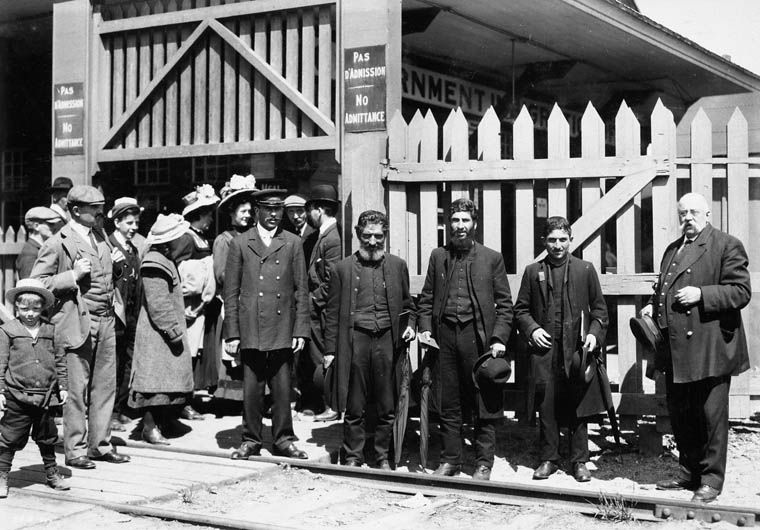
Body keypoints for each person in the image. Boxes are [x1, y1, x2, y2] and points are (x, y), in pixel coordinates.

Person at [642, 193, 750, 503]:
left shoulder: (725, 244)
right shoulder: (673, 250)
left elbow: (741, 291)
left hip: (710, 346)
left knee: (710, 416)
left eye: (693, 212)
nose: (687, 218)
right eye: (682, 213)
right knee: (682, 414)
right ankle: (689, 472)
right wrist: (652, 306)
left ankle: (711, 480)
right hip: (676, 350)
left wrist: (702, 294)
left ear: (707, 214)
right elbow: (662, 289)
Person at [31, 184, 130, 469]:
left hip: (107, 320)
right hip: (76, 322)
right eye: (94, 209)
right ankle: (75, 450)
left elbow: (108, 277)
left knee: (105, 386)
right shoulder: (57, 241)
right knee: (76, 389)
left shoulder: (101, 236)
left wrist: (118, 266)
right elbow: (36, 285)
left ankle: (100, 445)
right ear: (76, 210)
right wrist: (71, 275)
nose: (101, 213)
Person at [417, 198, 513, 481]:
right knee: (448, 401)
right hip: (444, 336)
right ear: (449, 223)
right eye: (455, 220)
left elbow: (505, 306)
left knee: (483, 401)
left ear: (474, 224)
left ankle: (483, 463)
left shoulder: (491, 258)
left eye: (465, 220)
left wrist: (498, 338)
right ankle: (451, 460)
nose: (460, 226)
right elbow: (426, 299)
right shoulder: (438, 256)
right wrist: (425, 328)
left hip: (477, 338)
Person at [513, 216, 608, 482]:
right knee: (547, 403)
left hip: (575, 349)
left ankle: (579, 460)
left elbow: (600, 310)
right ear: (544, 241)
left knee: (578, 401)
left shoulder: (585, 269)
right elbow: (519, 310)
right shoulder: (533, 272)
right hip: (544, 350)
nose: (557, 245)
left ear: (570, 240)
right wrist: (532, 329)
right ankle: (548, 458)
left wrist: (593, 335)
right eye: (552, 240)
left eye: (562, 240)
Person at [323, 210, 416, 469]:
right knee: (355, 405)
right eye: (367, 236)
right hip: (355, 341)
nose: (372, 242)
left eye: (378, 236)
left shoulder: (398, 266)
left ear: (385, 236)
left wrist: (410, 326)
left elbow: (410, 306)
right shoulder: (342, 269)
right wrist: (330, 350)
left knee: (387, 404)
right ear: (357, 235)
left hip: (387, 339)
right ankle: (353, 456)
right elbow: (331, 314)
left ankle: (382, 457)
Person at [224, 189, 310, 460]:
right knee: (252, 387)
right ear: (257, 211)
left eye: (278, 209)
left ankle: (284, 439)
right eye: (268, 209)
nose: (274, 214)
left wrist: (300, 329)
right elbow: (231, 292)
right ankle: (251, 439)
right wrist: (232, 333)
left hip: (283, 324)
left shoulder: (293, 242)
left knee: (283, 386)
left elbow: (301, 290)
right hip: (251, 325)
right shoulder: (240, 243)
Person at [0, 279, 70, 498]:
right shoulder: (8, 331)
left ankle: (51, 472)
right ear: (16, 307)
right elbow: (0, 363)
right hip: (16, 395)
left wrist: (63, 386)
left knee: (47, 436)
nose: (30, 313)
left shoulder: (51, 330)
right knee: (9, 437)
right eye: (24, 308)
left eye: (35, 309)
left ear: (43, 308)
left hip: (46, 396)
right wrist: (0, 391)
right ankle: (2, 475)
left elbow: (60, 360)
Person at [130, 214, 195, 445]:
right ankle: (149, 427)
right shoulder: (154, 262)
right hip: (157, 334)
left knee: (167, 380)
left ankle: (165, 420)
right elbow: (158, 303)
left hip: (164, 333)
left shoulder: (163, 259)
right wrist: (173, 330)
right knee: (153, 383)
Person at [172, 184, 220, 420]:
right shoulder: (186, 239)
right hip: (189, 306)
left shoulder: (198, 237)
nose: (211, 218)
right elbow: (176, 271)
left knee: (194, 354)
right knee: (187, 354)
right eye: (208, 213)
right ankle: (182, 402)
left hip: (200, 306)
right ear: (198, 215)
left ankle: (187, 398)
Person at [212, 174, 257, 401]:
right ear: (232, 213)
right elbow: (221, 274)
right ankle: (231, 396)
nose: (247, 216)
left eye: (250, 212)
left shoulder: (253, 237)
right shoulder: (225, 239)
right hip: (233, 299)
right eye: (243, 212)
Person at [303, 184, 342, 421]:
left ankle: (334, 406)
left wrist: (312, 300)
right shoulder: (324, 236)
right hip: (319, 309)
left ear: (319, 209)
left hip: (323, 310)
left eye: (310, 210)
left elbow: (332, 280)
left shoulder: (332, 239)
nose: (308, 216)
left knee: (325, 357)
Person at [106, 197, 145, 432]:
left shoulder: (133, 249)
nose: (134, 227)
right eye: (129, 223)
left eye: (136, 223)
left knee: (127, 362)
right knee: (114, 363)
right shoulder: (109, 247)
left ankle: (119, 409)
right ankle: (108, 413)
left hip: (132, 314)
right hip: (115, 315)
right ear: (117, 221)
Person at [15, 207, 63, 280]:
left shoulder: (41, 247)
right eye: (50, 224)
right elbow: (30, 285)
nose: (55, 227)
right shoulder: (29, 253)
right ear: (36, 226)